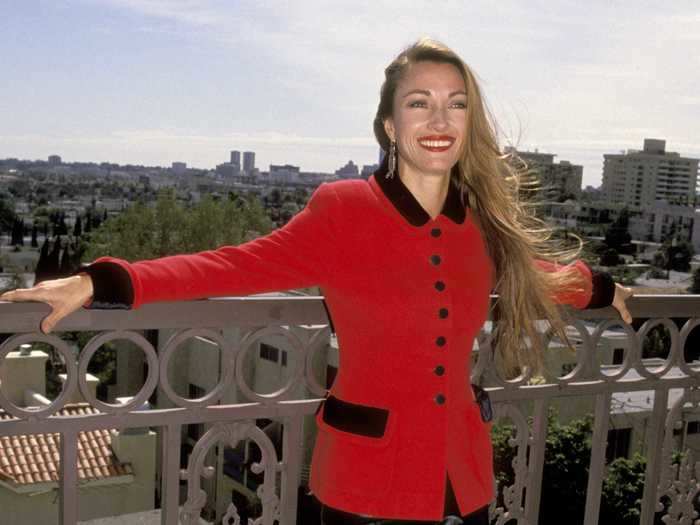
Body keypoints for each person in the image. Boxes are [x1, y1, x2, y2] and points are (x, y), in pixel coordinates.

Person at [0, 38, 633, 524]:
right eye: (420, 103)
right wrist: (102, 280)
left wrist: (602, 289)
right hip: (366, 480)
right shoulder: (345, 210)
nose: (439, 118)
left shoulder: (480, 226)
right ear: (390, 125)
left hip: (462, 475)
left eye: (456, 103)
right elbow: (234, 265)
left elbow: (532, 277)